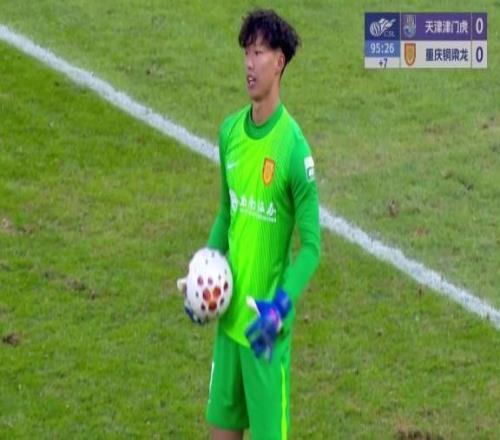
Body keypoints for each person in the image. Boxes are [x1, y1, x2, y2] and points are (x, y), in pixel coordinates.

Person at [178, 8, 320, 440]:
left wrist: (281, 305)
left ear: (279, 62)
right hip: (229, 324)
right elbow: (227, 213)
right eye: (246, 52)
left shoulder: (294, 149)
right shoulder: (229, 133)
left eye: (259, 53)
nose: (249, 64)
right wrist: (200, 269)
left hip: (264, 333)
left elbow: (312, 247)